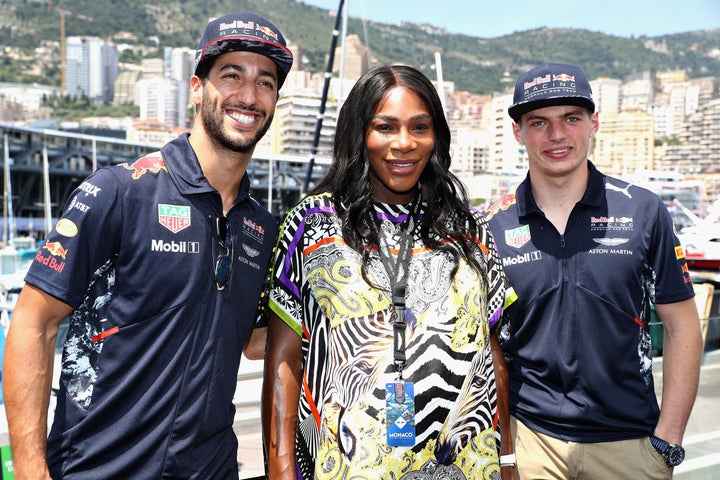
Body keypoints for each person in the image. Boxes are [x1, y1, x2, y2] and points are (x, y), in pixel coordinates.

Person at [2, 11, 292, 478]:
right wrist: (31, 472)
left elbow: (258, 343)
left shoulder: (261, 227)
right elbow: (33, 325)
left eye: (265, 82)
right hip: (96, 469)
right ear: (197, 88)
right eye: (231, 75)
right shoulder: (120, 192)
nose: (249, 96)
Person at [262, 64, 517, 480]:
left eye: (420, 127)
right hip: (347, 465)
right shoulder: (311, 224)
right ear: (359, 133)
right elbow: (283, 362)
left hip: (466, 466)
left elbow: (493, 358)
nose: (404, 143)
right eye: (386, 127)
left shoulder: (469, 230)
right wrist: (281, 469)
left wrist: (507, 462)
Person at [484, 62, 704, 479]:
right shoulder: (493, 225)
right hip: (532, 444)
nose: (556, 135)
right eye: (538, 122)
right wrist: (507, 451)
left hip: (631, 447)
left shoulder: (643, 211)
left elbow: (682, 326)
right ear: (518, 133)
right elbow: (486, 345)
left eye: (571, 118)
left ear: (594, 123)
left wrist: (668, 439)